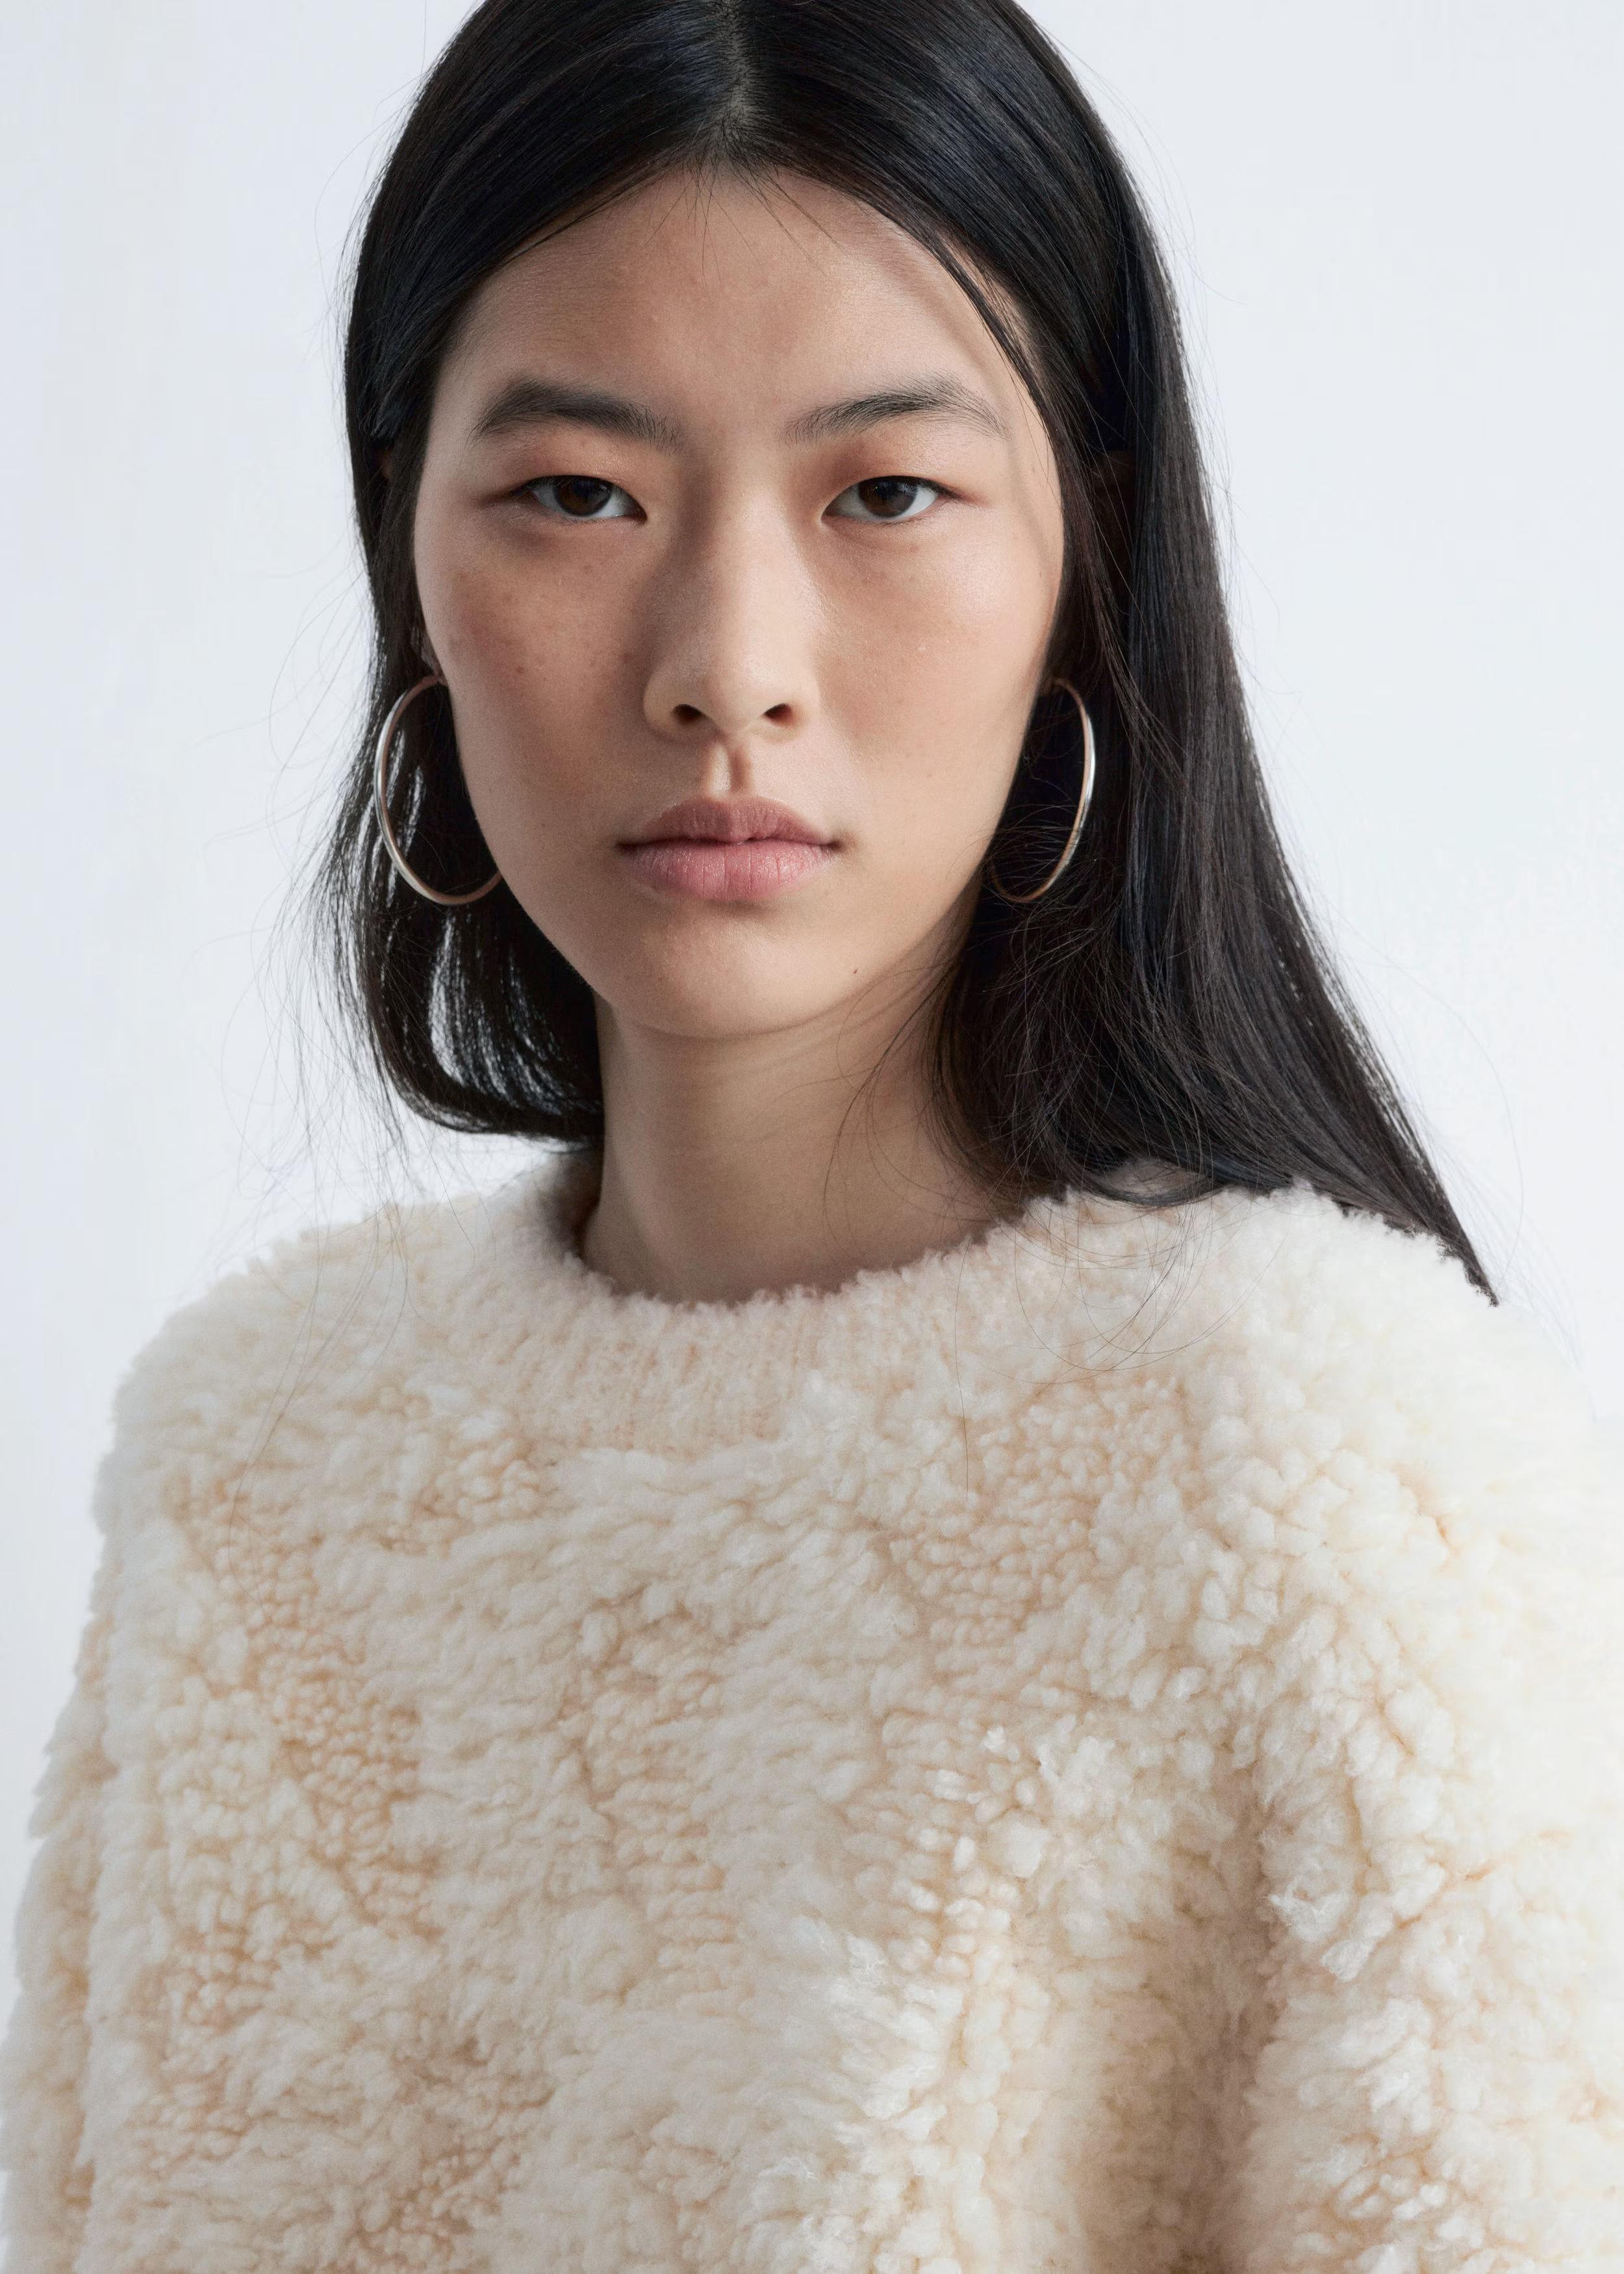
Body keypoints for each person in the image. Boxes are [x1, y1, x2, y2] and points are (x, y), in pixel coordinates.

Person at [5, 0, 1623, 2265]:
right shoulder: (251, 1465)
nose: (727, 663)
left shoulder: (1330, 1470)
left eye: (884, 494)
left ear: (1082, 553)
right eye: (577, 493)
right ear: (405, 557)